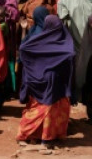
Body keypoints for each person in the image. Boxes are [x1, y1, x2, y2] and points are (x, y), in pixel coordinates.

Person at [16, 15, 74, 148]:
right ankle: (44, 139)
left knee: (40, 110)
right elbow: (70, 55)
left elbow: (23, 49)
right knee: (50, 110)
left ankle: (38, 137)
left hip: (39, 81)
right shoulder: (64, 42)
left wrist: (33, 68)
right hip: (55, 82)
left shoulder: (38, 41)